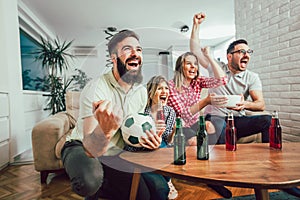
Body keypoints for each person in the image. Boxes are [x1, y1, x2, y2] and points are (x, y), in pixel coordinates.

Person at [191, 12, 300, 198]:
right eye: (241, 51)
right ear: (229, 56)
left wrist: (244, 105)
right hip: (216, 118)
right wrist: (196, 25)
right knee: (218, 123)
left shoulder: (252, 77)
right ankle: (216, 179)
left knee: (267, 120)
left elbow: (260, 104)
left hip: (237, 120)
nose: (246, 55)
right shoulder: (215, 69)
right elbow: (195, 50)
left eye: (248, 52)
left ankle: (273, 172)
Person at [61, 30, 168, 200]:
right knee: (90, 181)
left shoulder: (140, 92)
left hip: (114, 154)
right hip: (81, 146)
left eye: (139, 49)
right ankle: (98, 185)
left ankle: (106, 182)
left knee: (150, 193)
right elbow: (91, 149)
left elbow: (133, 133)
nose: (135, 53)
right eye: (127, 49)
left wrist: (149, 141)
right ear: (114, 57)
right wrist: (105, 130)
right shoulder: (96, 88)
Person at [124, 75, 178, 199]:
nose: (164, 91)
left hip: (161, 146)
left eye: (166, 88)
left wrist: (171, 131)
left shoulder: (170, 112)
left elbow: (168, 139)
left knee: (167, 148)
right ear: (151, 93)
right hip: (141, 148)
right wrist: (154, 132)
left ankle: (168, 180)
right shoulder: (142, 110)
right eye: (159, 88)